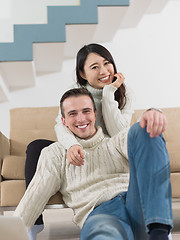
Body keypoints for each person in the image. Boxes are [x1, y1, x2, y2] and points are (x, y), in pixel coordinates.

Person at [14, 88, 173, 240]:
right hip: (100, 213)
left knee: (144, 130)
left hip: (138, 204)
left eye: (86, 111)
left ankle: (159, 232)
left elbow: (140, 139)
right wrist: (12, 231)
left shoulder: (115, 141)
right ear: (64, 121)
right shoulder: (54, 153)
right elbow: (35, 195)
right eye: (73, 114)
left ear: (95, 114)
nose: (81, 118)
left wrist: (152, 113)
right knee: (104, 234)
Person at [25, 43, 136, 237]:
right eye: (94, 67)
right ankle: (33, 224)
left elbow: (119, 133)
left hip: (108, 147)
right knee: (37, 147)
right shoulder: (75, 92)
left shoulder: (124, 93)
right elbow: (61, 125)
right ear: (83, 74)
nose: (104, 71)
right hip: (78, 142)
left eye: (107, 63)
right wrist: (72, 145)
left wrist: (109, 93)